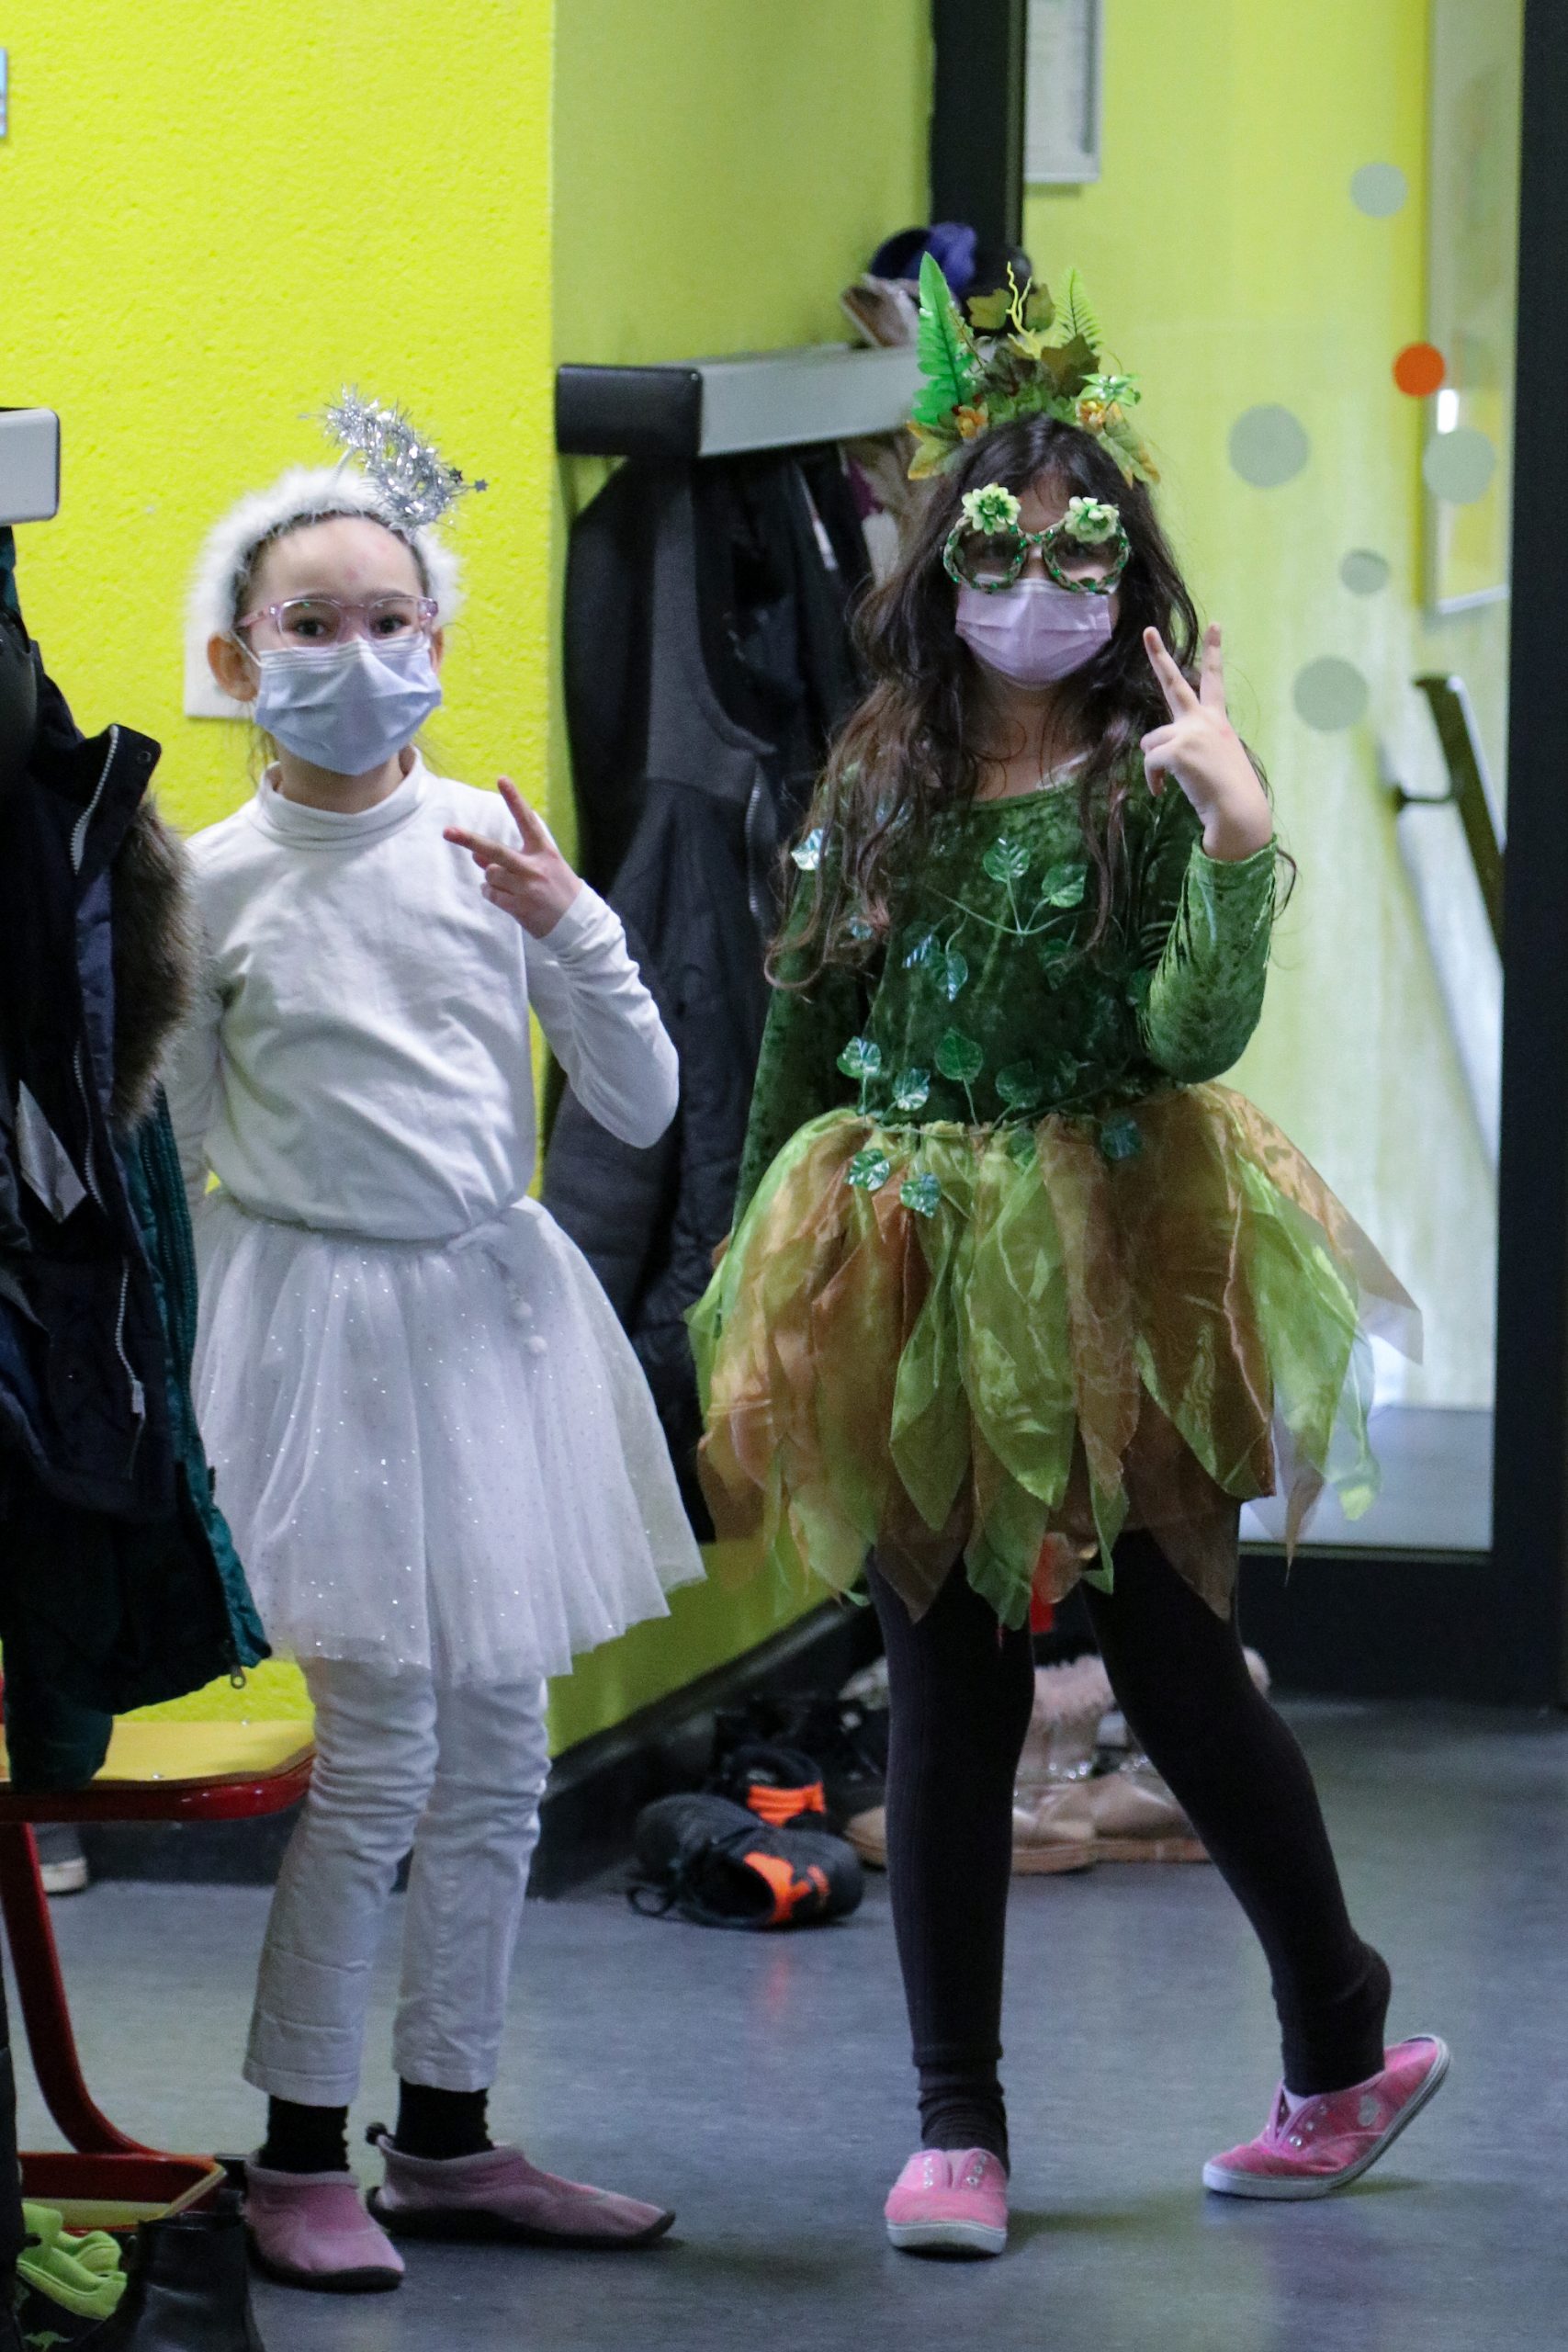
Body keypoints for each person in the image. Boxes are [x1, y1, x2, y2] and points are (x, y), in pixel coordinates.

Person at [691, 263, 1447, 2256]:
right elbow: (801, 1023)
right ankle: (958, 2125)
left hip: (1111, 1244)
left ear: (1130, 573)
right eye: (999, 549)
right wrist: (753, 1276)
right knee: (941, 1683)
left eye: (1079, 550)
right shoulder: (876, 767)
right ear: (940, 564)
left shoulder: (1147, 777)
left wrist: (1234, 838)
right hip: (905, 1256)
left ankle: (1340, 2038)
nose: (1036, 585)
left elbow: (1191, 1037)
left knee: (1174, 1665)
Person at [167, 401, 705, 2292]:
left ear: (441, 641)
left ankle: (451, 2136)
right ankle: (297, 2148)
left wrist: (573, 925)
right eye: (310, 624)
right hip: (322, 1339)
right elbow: (174, 1142)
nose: (356, 652)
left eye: (388, 618)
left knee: (499, 1753)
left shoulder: (493, 846)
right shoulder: (208, 883)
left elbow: (641, 1101)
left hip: (495, 1326)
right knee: (381, 1749)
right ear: (237, 658)